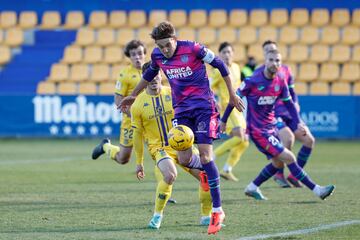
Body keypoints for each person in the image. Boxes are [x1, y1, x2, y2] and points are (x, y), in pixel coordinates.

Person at [119, 22, 245, 235]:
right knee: (185, 158)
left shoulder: (194, 48)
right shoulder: (158, 56)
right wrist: (134, 95)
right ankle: (209, 173)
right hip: (182, 111)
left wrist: (232, 94)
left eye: (168, 45)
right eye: (161, 46)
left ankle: (217, 210)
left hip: (204, 107)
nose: (165, 50)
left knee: (205, 156)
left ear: (175, 39)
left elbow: (221, 65)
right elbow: (149, 75)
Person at [93, 62, 212, 229]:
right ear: (145, 78)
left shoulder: (173, 93)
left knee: (205, 174)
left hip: (183, 146)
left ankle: (206, 216)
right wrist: (139, 163)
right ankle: (157, 216)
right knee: (170, 176)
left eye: (157, 74)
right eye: (150, 75)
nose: (155, 78)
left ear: (161, 75)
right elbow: (138, 135)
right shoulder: (138, 105)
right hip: (160, 149)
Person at [221, 49, 335, 201]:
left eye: (278, 61)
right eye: (271, 60)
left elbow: (290, 105)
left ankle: (252, 187)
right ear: (265, 61)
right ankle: (317, 190)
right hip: (258, 131)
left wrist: (299, 123)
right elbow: (234, 99)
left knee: (277, 163)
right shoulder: (253, 80)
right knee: (289, 157)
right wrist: (223, 120)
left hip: (271, 127)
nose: (275, 63)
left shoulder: (281, 81)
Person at [260, 40, 316, 188]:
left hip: (290, 113)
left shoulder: (286, 70)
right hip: (274, 114)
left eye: (273, 50)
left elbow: (292, 91)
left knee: (309, 141)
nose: (270, 53)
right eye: (267, 51)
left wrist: (295, 103)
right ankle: (279, 174)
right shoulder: (259, 74)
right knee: (288, 139)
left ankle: (293, 176)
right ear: (264, 55)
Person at [91, 40, 146, 164]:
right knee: (123, 159)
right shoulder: (124, 74)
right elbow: (118, 101)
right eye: (133, 54)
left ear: (145, 54)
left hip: (150, 118)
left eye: (140, 53)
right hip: (131, 121)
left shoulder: (151, 70)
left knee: (160, 147)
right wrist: (132, 115)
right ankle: (105, 147)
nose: (137, 57)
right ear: (129, 56)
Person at [210, 42, 249, 182]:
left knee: (245, 142)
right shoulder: (217, 71)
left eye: (229, 52)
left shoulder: (237, 68)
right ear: (220, 55)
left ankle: (227, 169)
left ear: (233, 53)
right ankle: (211, 156)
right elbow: (209, 87)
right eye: (224, 52)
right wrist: (214, 101)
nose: (227, 55)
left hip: (238, 108)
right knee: (240, 137)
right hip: (228, 107)